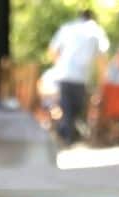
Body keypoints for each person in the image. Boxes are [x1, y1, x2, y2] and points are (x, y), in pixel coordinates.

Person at [48, 9, 109, 144]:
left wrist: (59, 64)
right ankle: (68, 137)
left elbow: (52, 51)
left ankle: (66, 136)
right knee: (75, 109)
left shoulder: (67, 28)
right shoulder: (96, 31)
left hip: (64, 74)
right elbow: (102, 59)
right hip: (81, 78)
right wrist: (101, 82)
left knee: (67, 108)